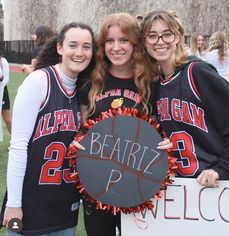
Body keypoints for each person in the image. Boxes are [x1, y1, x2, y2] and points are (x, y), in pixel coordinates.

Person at [68, 12, 172, 236]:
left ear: (135, 43)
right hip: (98, 187)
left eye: (124, 40)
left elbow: (166, 129)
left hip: (140, 186)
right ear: (102, 46)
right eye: (109, 41)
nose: (116, 47)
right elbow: (81, 129)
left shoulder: (153, 84)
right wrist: (77, 145)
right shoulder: (89, 83)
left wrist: (167, 143)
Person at [1, 22, 96, 235]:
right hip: (30, 203)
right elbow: (18, 147)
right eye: (73, 45)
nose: (79, 52)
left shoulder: (85, 90)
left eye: (86, 46)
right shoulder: (39, 82)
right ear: (60, 48)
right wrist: (13, 203)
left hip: (65, 205)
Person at [140, 10, 229, 187]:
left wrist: (223, 168)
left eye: (167, 34)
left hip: (215, 184)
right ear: (145, 42)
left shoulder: (197, 72)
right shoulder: (155, 85)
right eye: (152, 36)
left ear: (177, 37)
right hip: (181, 188)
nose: (160, 42)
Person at [0, 55, 10, 142]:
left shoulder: (3, 61)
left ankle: (13, 139)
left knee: (7, 119)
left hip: (2, 92)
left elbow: (6, 79)